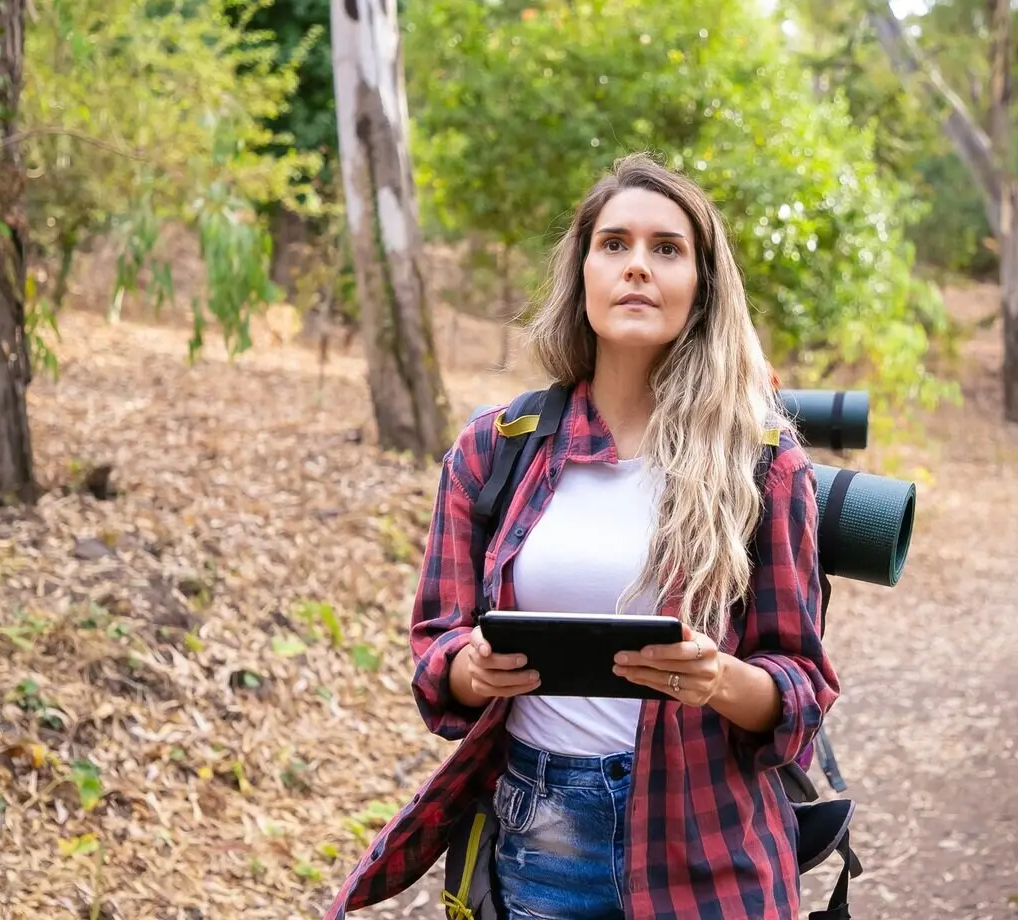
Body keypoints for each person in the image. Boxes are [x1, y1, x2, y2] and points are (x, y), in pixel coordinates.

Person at [324, 153, 839, 920]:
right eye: (614, 244)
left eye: (666, 249)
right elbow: (437, 651)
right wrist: (473, 669)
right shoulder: (495, 448)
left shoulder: (762, 462)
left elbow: (800, 686)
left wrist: (717, 680)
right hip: (544, 833)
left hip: (710, 841)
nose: (637, 267)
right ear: (584, 272)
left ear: (702, 286)